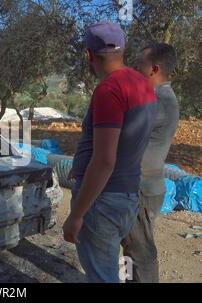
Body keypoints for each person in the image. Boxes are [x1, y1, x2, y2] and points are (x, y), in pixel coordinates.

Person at [62, 21, 157, 283]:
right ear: (123, 49)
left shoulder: (109, 90)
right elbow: (128, 140)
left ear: (89, 54)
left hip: (102, 202)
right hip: (127, 196)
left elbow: (104, 161)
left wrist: (77, 214)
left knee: (102, 277)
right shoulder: (142, 83)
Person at [122, 43, 179, 283]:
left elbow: (121, 138)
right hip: (145, 185)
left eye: (140, 63)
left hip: (140, 189)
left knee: (140, 252)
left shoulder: (157, 100)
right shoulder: (162, 97)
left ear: (154, 69)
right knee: (133, 249)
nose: (135, 67)